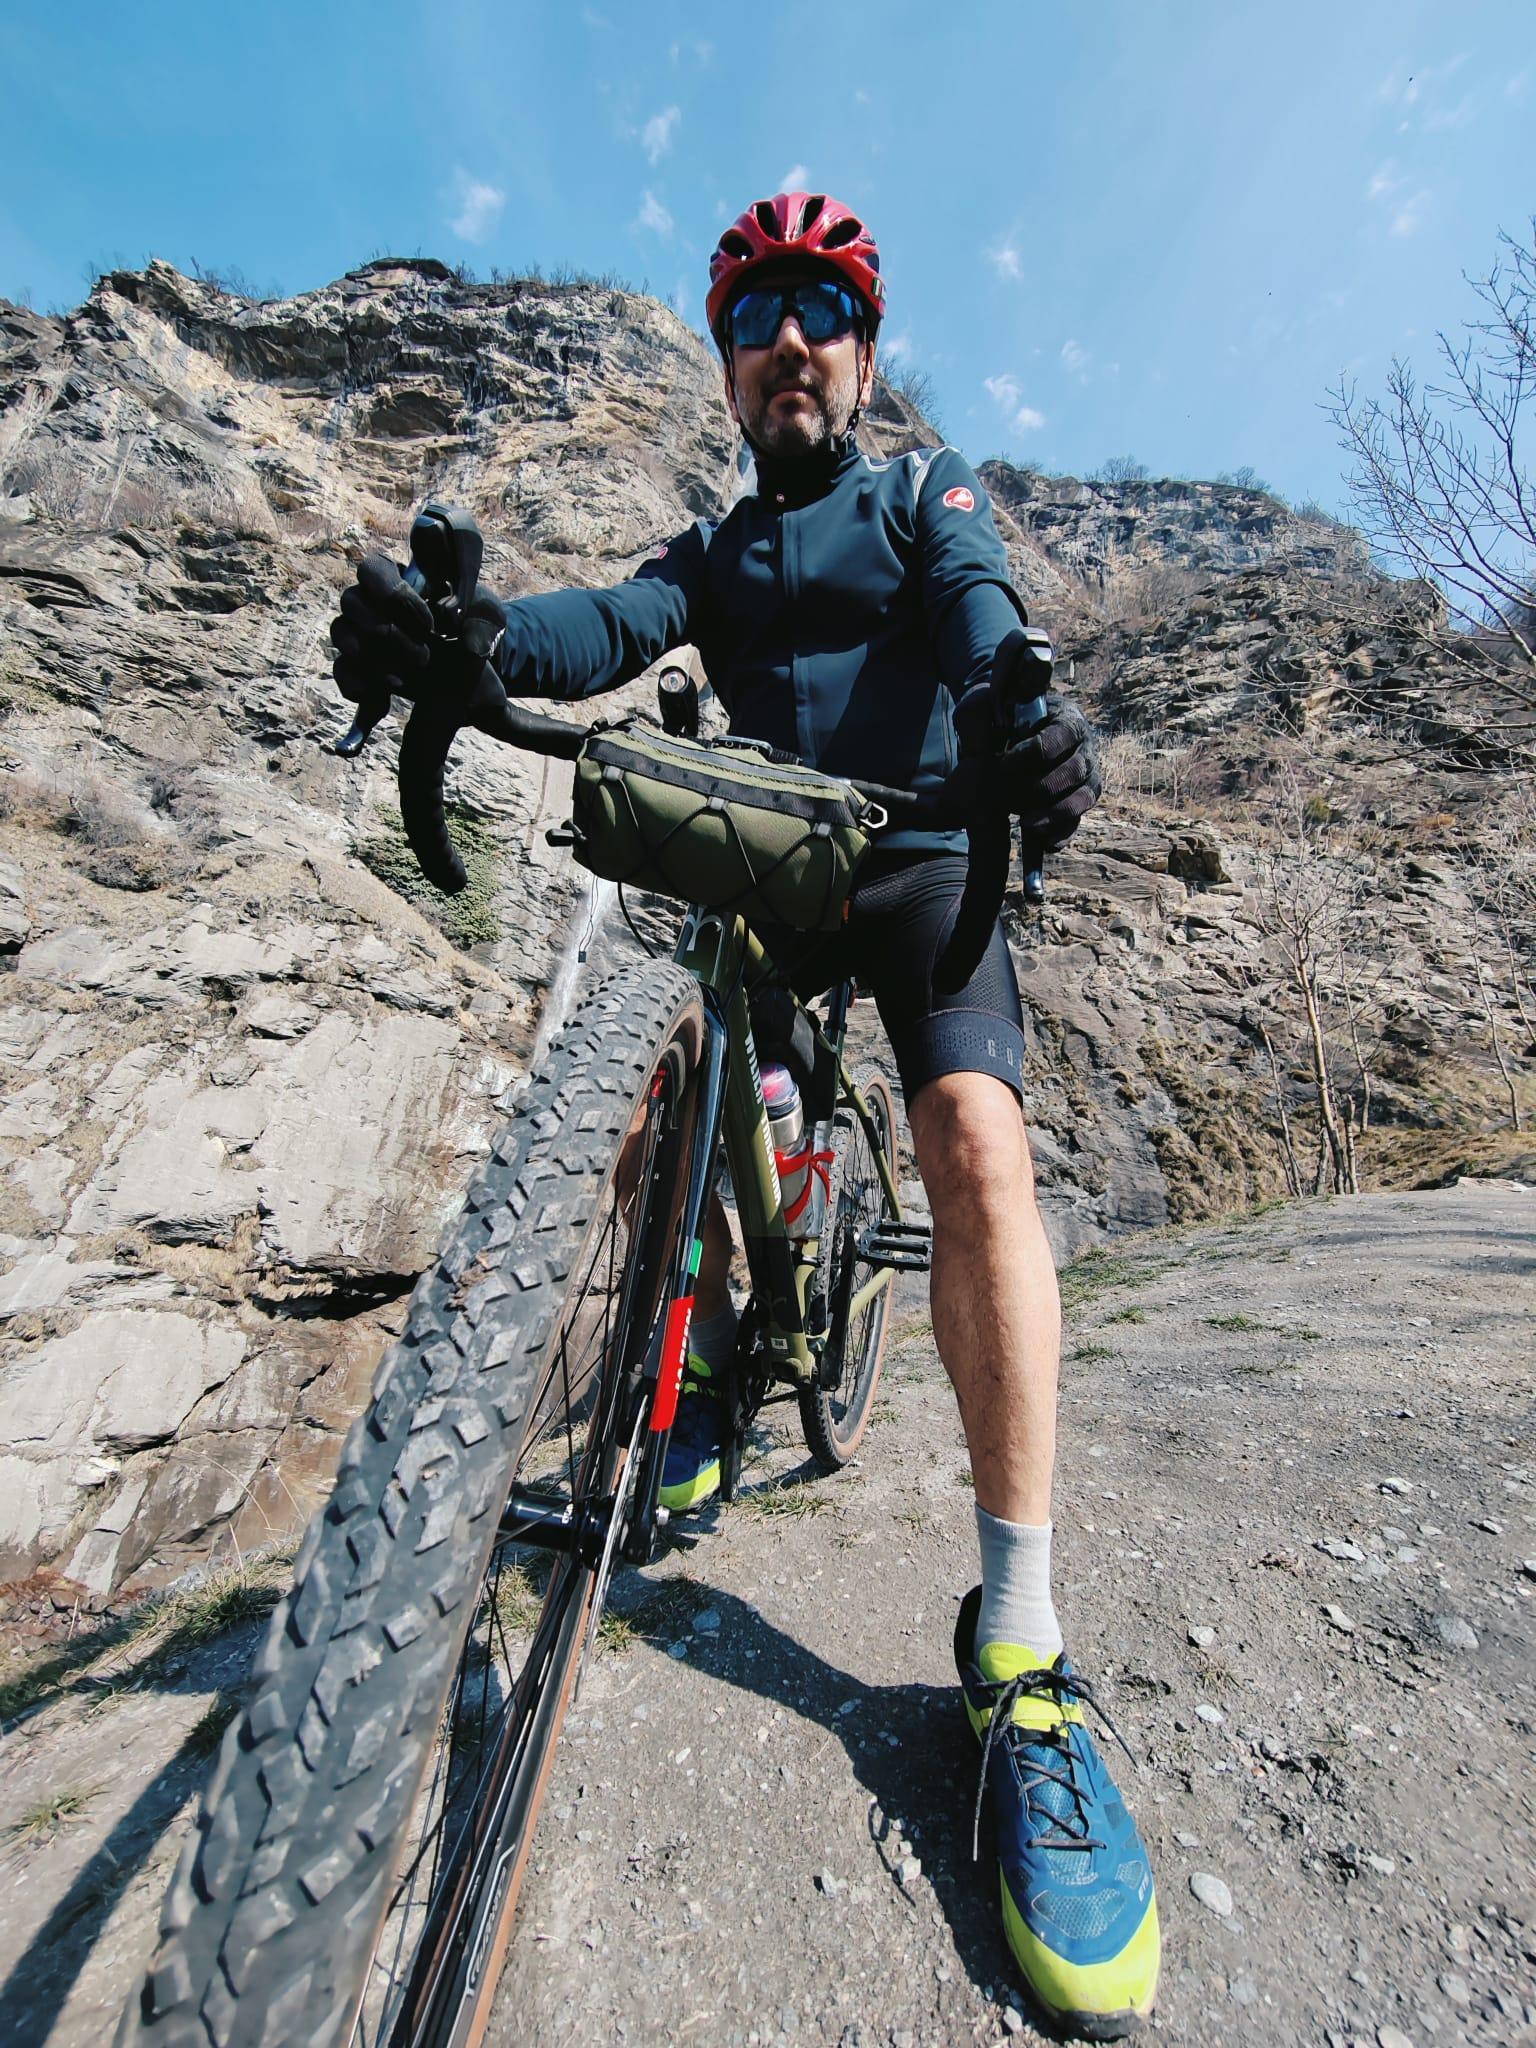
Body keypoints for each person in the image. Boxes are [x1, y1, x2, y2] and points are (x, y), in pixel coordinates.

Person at [330, 190, 1159, 2037]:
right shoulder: (708, 547)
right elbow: (609, 622)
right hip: (770, 857)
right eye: (758, 312)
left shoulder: (921, 492)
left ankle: (1022, 1653)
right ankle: (699, 1376)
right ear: (726, 363)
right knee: (687, 1108)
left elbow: (978, 606)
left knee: (973, 1144)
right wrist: (471, 639)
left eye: (824, 310)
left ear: (862, 352)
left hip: (925, 854)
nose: (793, 337)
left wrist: (1015, 701)